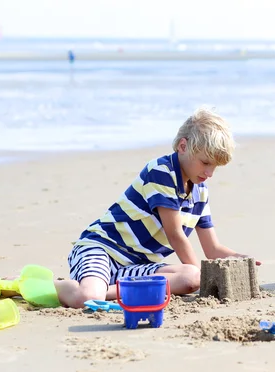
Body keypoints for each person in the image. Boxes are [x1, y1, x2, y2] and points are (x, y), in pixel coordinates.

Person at [49, 107, 260, 308]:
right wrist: (204, 279)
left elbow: (213, 249)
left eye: (214, 167)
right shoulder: (161, 172)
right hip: (102, 250)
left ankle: (104, 291)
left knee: (190, 277)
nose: (209, 173)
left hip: (136, 268)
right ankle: (48, 285)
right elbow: (175, 234)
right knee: (87, 298)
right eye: (205, 163)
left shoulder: (200, 191)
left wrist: (239, 259)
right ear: (183, 146)